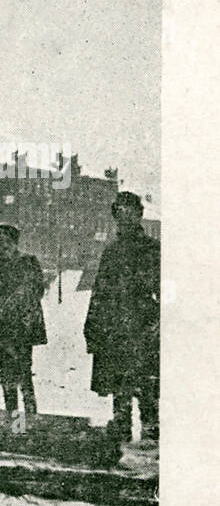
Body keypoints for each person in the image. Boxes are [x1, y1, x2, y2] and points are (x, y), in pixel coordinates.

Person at [83, 190, 159, 443]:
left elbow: (162, 290)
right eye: (119, 214)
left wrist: (156, 322)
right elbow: (100, 290)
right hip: (114, 325)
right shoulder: (112, 250)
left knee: (145, 382)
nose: (124, 219)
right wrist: (92, 324)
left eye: (129, 212)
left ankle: (150, 431)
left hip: (142, 323)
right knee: (119, 381)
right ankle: (122, 428)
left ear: (139, 214)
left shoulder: (152, 249)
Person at [0, 224, 47, 419]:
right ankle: (13, 417)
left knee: (24, 372)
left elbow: (37, 289)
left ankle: (30, 417)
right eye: (0, 242)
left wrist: (18, 301)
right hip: (2, 326)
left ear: (15, 243)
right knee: (7, 374)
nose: (4, 246)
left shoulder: (28, 262)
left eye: (8, 242)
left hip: (23, 326)